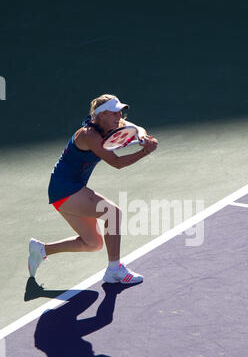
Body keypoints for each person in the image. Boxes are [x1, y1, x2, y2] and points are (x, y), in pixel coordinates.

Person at [28, 94, 158, 284]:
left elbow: (135, 128)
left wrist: (142, 136)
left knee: (93, 243)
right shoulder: (89, 135)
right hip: (65, 189)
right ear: (102, 115)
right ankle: (114, 270)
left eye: (120, 111)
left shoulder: (111, 124)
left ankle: (41, 250)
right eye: (115, 112)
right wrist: (145, 151)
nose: (119, 115)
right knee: (112, 213)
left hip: (67, 189)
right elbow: (116, 162)